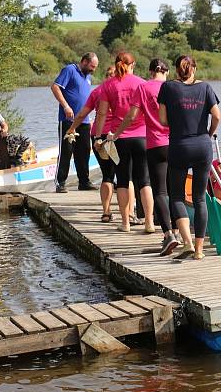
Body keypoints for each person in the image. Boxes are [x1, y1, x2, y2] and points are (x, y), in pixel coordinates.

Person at [108, 58, 175, 255]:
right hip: (176, 143)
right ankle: (179, 232)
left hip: (154, 143)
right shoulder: (173, 87)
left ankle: (166, 233)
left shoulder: (144, 88)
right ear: (167, 72)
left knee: (158, 190)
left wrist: (117, 134)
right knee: (175, 191)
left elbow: (131, 116)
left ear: (150, 71)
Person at [157, 54, 221, 260]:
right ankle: (200, 250)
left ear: (176, 70)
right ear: (194, 68)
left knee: (176, 196)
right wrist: (208, 134)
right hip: (202, 145)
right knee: (200, 198)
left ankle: (187, 242)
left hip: (179, 145)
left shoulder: (167, 88)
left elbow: (163, 120)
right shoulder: (205, 87)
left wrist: (178, 122)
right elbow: (217, 116)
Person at [94, 52, 154, 234]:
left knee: (122, 180)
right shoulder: (142, 83)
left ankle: (125, 223)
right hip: (142, 136)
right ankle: (149, 223)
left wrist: (98, 137)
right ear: (132, 64)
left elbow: (102, 114)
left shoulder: (108, 85)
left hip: (119, 138)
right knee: (144, 180)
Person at [65, 66, 116, 222]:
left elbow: (81, 114)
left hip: (98, 137)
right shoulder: (122, 90)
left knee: (107, 175)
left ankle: (106, 212)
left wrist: (72, 129)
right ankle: (128, 214)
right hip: (117, 136)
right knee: (124, 175)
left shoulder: (97, 92)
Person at [51, 52, 99, 192]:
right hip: (67, 120)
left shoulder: (88, 76)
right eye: (92, 66)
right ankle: (60, 182)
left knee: (84, 151)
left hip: (83, 121)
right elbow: (55, 87)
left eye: (95, 67)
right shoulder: (70, 70)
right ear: (84, 61)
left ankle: (84, 182)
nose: (93, 70)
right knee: (66, 150)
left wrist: (89, 118)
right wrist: (66, 106)